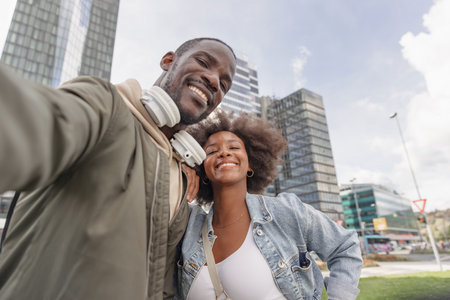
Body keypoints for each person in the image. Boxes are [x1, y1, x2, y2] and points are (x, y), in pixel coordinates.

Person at [0, 37, 236, 299]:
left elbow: (161, 286)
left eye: (224, 84)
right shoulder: (105, 105)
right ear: (168, 61)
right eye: (203, 62)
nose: (214, 81)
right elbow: (31, 122)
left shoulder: (181, 178)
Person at [176, 110, 363, 300]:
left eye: (234, 148)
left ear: (251, 164)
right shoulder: (189, 224)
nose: (224, 152)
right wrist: (177, 171)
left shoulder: (286, 211)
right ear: (202, 169)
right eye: (212, 151)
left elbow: (345, 247)